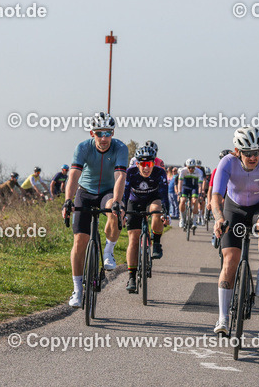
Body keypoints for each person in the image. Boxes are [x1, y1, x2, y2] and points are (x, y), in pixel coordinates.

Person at [211, 126, 259, 335]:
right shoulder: (227, 163)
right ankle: (223, 318)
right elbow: (217, 195)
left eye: (257, 152)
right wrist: (219, 219)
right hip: (234, 207)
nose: (253, 157)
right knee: (230, 260)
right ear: (237, 151)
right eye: (248, 153)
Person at [61, 112, 128, 307]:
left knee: (114, 211)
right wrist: (68, 200)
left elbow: (120, 177)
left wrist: (117, 201)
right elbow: (73, 175)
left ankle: (108, 251)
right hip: (85, 191)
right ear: (92, 133)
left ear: (112, 132)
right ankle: (77, 290)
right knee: (79, 241)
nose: (104, 138)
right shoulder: (82, 148)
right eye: (100, 133)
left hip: (108, 191)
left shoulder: (120, 148)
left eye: (108, 133)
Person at [122, 146, 170, 293]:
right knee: (133, 239)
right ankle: (131, 277)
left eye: (149, 164)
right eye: (142, 164)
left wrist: (166, 214)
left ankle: (156, 243)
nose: (146, 167)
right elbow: (124, 194)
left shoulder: (159, 172)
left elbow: (164, 195)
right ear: (137, 164)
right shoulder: (130, 173)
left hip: (152, 199)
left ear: (153, 164)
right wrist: (123, 212)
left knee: (157, 211)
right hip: (134, 201)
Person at [177, 159, 204, 229]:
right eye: (189, 167)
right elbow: (180, 182)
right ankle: (182, 219)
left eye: (193, 167)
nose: (191, 169)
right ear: (186, 166)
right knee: (182, 201)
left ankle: (194, 221)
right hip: (185, 187)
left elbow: (200, 185)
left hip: (194, 187)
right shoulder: (183, 171)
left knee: (195, 201)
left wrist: (200, 194)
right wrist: (179, 192)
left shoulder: (199, 172)